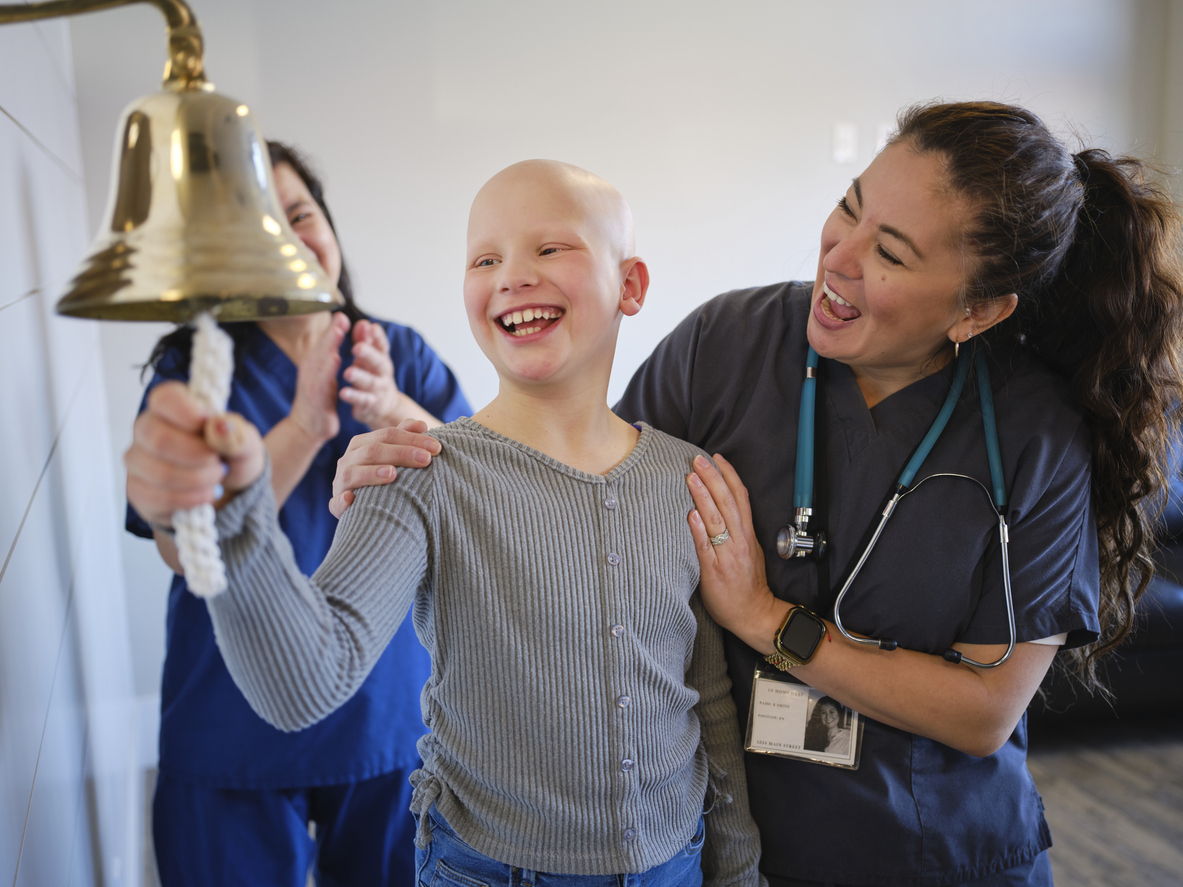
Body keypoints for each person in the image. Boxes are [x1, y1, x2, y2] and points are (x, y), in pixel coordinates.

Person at [329, 102, 1183, 886]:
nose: (837, 260)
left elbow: (983, 710)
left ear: (976, 311)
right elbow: (578, 494)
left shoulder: (1031, 433)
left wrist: (767, 621)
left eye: (889, 252)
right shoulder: (726, 347)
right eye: (847, 208)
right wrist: (412, 454)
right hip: (751, 842)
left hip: (937, 851)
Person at [124, 159, 765, 886]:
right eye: (484, 258)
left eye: (549, 248)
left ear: (631, 284)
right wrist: (233, 510)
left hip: (672, 864)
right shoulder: (417, 473)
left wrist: (736, 865)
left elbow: (705, 696)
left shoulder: (683, 477)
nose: (512, 275)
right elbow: (307, 676)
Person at [124, 141, 471, 887]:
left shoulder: (399, 354)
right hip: (230, 718)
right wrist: (306, 424)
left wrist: (390, 408)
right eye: (259, 228)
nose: (289, 238)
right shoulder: (197, 368)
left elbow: (487, 496)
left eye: (301, 214)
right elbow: (182, 551)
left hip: (382, 717)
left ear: (331, 226)